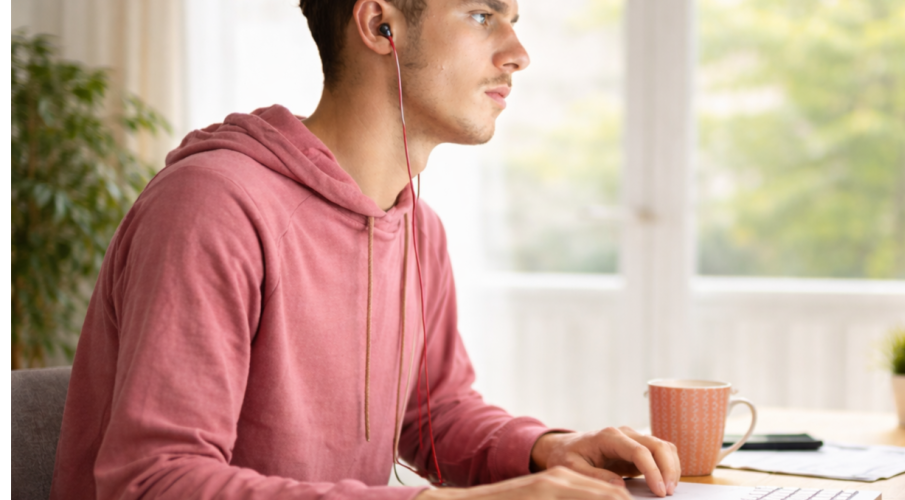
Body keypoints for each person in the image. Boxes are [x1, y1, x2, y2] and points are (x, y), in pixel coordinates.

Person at [49, 0, 681, 499]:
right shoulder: (213, 207)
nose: (518, 54)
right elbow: (154, 482)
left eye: (514, 22)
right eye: (483, 16)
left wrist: (549, 449)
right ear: (382, 25)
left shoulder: (417, 228)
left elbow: (435, 415)